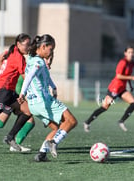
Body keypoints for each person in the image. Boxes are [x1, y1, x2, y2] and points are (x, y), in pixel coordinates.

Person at [18, 34, 77, 162]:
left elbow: (44, 76)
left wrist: (53, 87)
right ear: (43, 46)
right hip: (43, 101)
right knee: (71, 121)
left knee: (56, 128)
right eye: (51, 49)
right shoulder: (38, 62)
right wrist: (22, 93)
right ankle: (54, 142)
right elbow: (29, 77)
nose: (51, 53)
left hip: (34, 105)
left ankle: (41, 154)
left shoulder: (33, 59)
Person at [83, 46, 134, 132]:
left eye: (132, 52)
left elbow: (127, 75)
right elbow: (118, 75)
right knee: (104, 107)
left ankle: (121, 121)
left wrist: (130, 85)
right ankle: (87, 122)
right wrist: (132, 78)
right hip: (115, 88)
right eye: (129, 52)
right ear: (125, 53)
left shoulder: (132, 63)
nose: (131, 54)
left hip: (122, 88)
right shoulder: (122, 62)